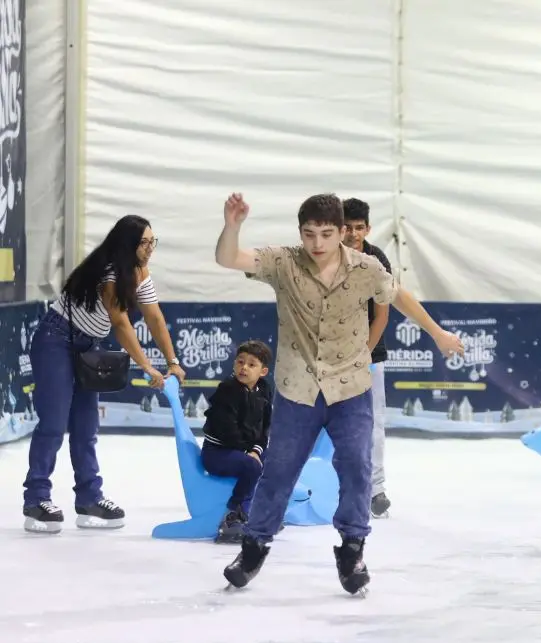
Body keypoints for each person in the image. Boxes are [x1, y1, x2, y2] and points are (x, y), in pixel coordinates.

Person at [214, 192, 464, 594]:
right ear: (300, 232)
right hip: (299, 388)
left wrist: (437, 334)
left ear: (342, 232)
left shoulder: (365, 267)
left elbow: (397, 294)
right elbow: (229, 259)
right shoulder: (284, 262)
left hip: (350, 387)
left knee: (356, 468)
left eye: (327, 234)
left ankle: (352, 549)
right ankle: (254, 545)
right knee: (278, 471)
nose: (317, 244)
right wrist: (233, 226)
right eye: (309, 234)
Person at [23, 215, 185, 534]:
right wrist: (148, 366)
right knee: (54, 424)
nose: (150, 248)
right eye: (144, 242)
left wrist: (173, 359)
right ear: (128, 244)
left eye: (153, 241)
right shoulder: (109, 270)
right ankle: (36, 500)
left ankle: (89, 500)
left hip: (87, 346)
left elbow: (154, 317)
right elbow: (122, 324)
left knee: (87, 426)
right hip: (56, 340)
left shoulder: (140, 274)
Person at [341, 197, 395, 518]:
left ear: (368, 228)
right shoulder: (326, 256)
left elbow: (382, 317)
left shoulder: (378, 259)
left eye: (359, 228)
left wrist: (363, 355)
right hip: (330, 357)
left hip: (369, 356)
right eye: (347, 227)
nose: (353, 233)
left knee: (374, 423)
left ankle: (376, 490)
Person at [201, 340, 274, 543]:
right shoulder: (227, 390)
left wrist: (257, 450)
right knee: (251, 466)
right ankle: (234, 515)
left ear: (263, 371)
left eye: (251, 364)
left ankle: (259, 510)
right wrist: (248, 453)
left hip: (244, 449)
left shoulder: (264, 391)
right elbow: (227, 430)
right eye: (240, 362)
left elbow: (265, 427)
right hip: (217, 453)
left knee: (274, 460)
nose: (244, 367)